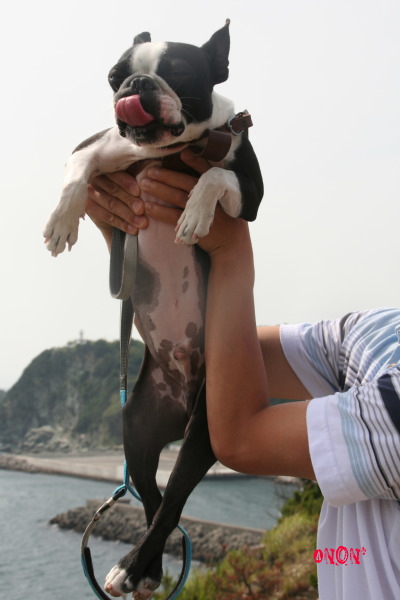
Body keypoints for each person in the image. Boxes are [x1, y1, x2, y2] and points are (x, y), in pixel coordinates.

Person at [86, 149, 400, 600]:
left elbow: (239, 436)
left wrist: (232, 253)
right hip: (339, 566)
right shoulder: (381, 334)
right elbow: (211, 353)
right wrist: (131, 235)